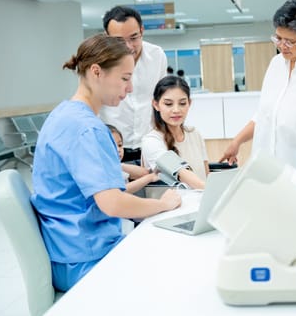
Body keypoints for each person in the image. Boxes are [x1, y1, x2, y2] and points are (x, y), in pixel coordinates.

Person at [31, 34, 181, 292]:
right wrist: (163, 205)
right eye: (124, 78)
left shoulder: (63, 115)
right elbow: (113, 203)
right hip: (85, 261)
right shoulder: (86, 129)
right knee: (173, 270)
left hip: (71, 252)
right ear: (96, 72)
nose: (130, 88)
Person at [219, 0, 296, 180]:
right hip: (264, 173)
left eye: (290, 42)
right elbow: (265, 114)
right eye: (278, 38)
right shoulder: (277, 64)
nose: (282, 47)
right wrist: (237, 141)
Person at [100, 5, 168, 162]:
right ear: (107, 36)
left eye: (133, 38)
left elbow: (163, 99)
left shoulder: (157, 56)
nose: (128, 46)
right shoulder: (99, 64)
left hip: (149, 146)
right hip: (112, 149)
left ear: (142, 31)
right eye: (119, 40)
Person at [141, 76, 208, 189]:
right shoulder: (151, 141)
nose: (176, 110)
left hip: (201, 202)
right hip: (174, 205)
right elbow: (181, 173)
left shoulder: (194, 134)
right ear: (156, 105)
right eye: (168, 104)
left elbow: (206, 173)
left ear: (189, 103)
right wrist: (210, 190)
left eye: (182, 103)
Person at [107, 124, 159, 193]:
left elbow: (143, 173)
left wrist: (119, 165)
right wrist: (149, 178)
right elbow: (121, 191)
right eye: (112, 145)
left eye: (120, 145)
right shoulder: (103, 171)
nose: (118, 149)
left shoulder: (117, 167)